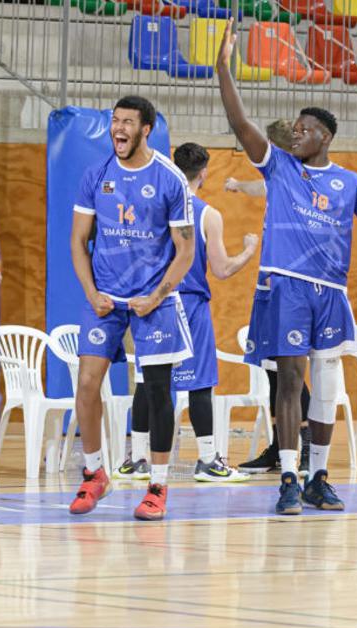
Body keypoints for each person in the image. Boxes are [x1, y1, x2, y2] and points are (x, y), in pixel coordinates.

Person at [215, 21, 357, 514]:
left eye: (305, 128)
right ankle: (289, 477)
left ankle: (318, 477)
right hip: (286, 285)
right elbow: (241, 124)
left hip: (330, 292)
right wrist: (223, 70)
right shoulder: (279, 167)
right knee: (290, 382)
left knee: (328, 388)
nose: (296, 132)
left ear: (326, 136)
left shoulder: (351, 182)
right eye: (294, 128)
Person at [67, 95, 196, 522]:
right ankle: (93, 473)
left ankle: (157, 485)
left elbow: (185, 252)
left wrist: (157, 296)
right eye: (114, 121)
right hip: (105, 300)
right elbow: (77, 242)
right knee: (87, 384)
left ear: (146, 129)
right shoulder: (95, 175)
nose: (118, 129)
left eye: (127, 122)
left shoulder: (170, 179)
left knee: (157, 390)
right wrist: (90, 293)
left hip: (152, 301)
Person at [116, 143, 258, 483]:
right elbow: (222, 270)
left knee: (147, 382)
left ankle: (136, 460)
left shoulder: (152, 207)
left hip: (151, 303)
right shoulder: (208, 214)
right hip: (188, 304)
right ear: (204, 172)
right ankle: (207, 460)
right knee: (199, 384)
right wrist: (249, 251)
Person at [223, 119, 315, 476]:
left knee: (292, 371)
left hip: (295, 284)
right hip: (270, 282)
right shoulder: (276, 181)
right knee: (273, 367)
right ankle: (281, 445)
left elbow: (260, 185)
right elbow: (260, 187)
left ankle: (304, 447)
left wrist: (238, 185)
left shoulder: (301, 182)